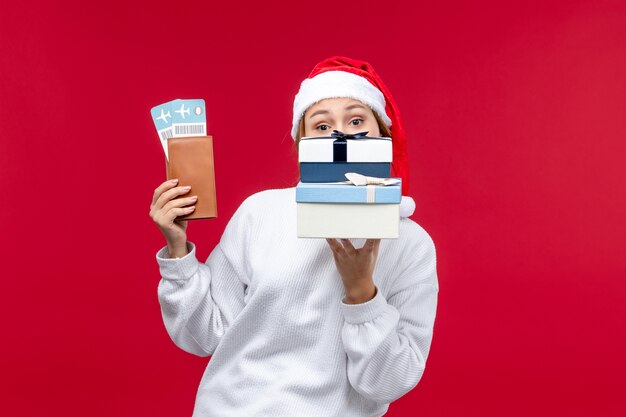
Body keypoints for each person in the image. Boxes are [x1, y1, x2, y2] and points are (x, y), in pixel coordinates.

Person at [149, 56, 439, 417]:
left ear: (383, 134)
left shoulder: (412, 245)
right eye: (321, 126)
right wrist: (178, 251)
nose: (340, 136)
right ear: (301, 144)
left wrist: (362, 290)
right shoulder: (260, 213)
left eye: (356, 120)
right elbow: (205, 335)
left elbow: (387, 383)